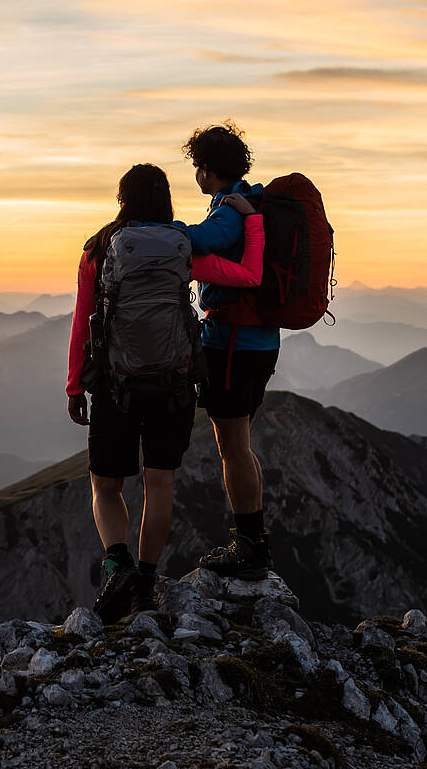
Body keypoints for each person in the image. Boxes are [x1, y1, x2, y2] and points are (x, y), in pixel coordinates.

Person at [67, 163, 263, 622]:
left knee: (106, 485)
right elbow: (249, 276)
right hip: (174, 385)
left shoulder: (100, 249)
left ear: (122, 201)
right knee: (161, 485)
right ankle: (147, 582)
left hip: (115, 386)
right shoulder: (182, 247)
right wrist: (252, 222)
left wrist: (76, 384)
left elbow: (82, 321)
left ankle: (118, 565)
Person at [179, 121, 279, 580]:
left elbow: (203, 240)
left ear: (208, 170)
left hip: (232, 345)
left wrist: (161, 227)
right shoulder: (249, 200)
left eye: (198, 165)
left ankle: (249, 546)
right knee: (240, 445)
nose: (195, 173)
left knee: (232, 448)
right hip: (259, 341)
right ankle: (252, 539)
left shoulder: (231, 211)